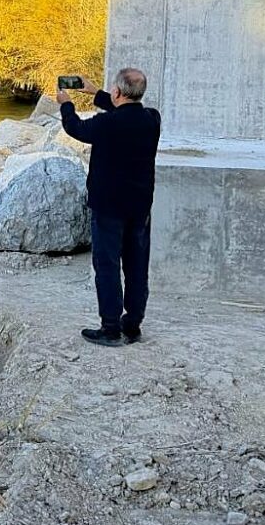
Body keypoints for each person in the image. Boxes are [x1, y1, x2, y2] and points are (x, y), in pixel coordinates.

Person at [56, 68, 161, 347]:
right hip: (140, 206)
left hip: (108, 207)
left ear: (117, 92)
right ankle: (133, 324)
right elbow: (125, 114)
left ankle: (111, 328)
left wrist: (66, 103)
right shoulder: (152, 119)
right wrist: (95, 93)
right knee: (137, 265)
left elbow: (74, 128)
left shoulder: (106, 125)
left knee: (107, 265)